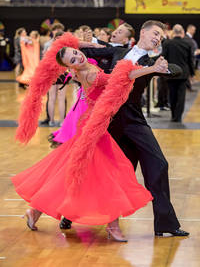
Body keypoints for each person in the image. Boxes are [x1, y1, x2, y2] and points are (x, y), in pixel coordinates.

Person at [12, 32, 169, 241]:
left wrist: (83, 42)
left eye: (77, 53)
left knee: (72, 172)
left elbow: (75, 47)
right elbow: (120, 78)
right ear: (72, 67)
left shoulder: (84, 66)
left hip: (95, 125)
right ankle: (112, 226)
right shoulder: (89, 74)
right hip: (93, 129)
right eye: (74, 60)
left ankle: (35, 211)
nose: (79, 57)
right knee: (109, 175)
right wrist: (153, 69)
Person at [60, 20, 189, 237]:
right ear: (143, 32)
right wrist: (74, 43)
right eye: (155, 33)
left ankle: (166, 223)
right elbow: (85, 50)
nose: (158, 38)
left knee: (158, 164)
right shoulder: (117, 52)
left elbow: (175, 69)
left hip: (133, 119)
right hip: (108, 120)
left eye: (161, 36)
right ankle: (69, 214)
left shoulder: (152, 60)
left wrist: (166, 69)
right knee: (98, 171)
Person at [162, 24, 195, 123]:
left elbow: (164, 58)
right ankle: (178, 117)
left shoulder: (167, 43)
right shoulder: (188, 44)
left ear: (173, 32)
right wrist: (192, 73)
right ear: (182, 32)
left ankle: (173, 115)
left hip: (171, 73)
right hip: (183, 73)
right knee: (181, 96)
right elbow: (190, 60)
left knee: (172, 95)